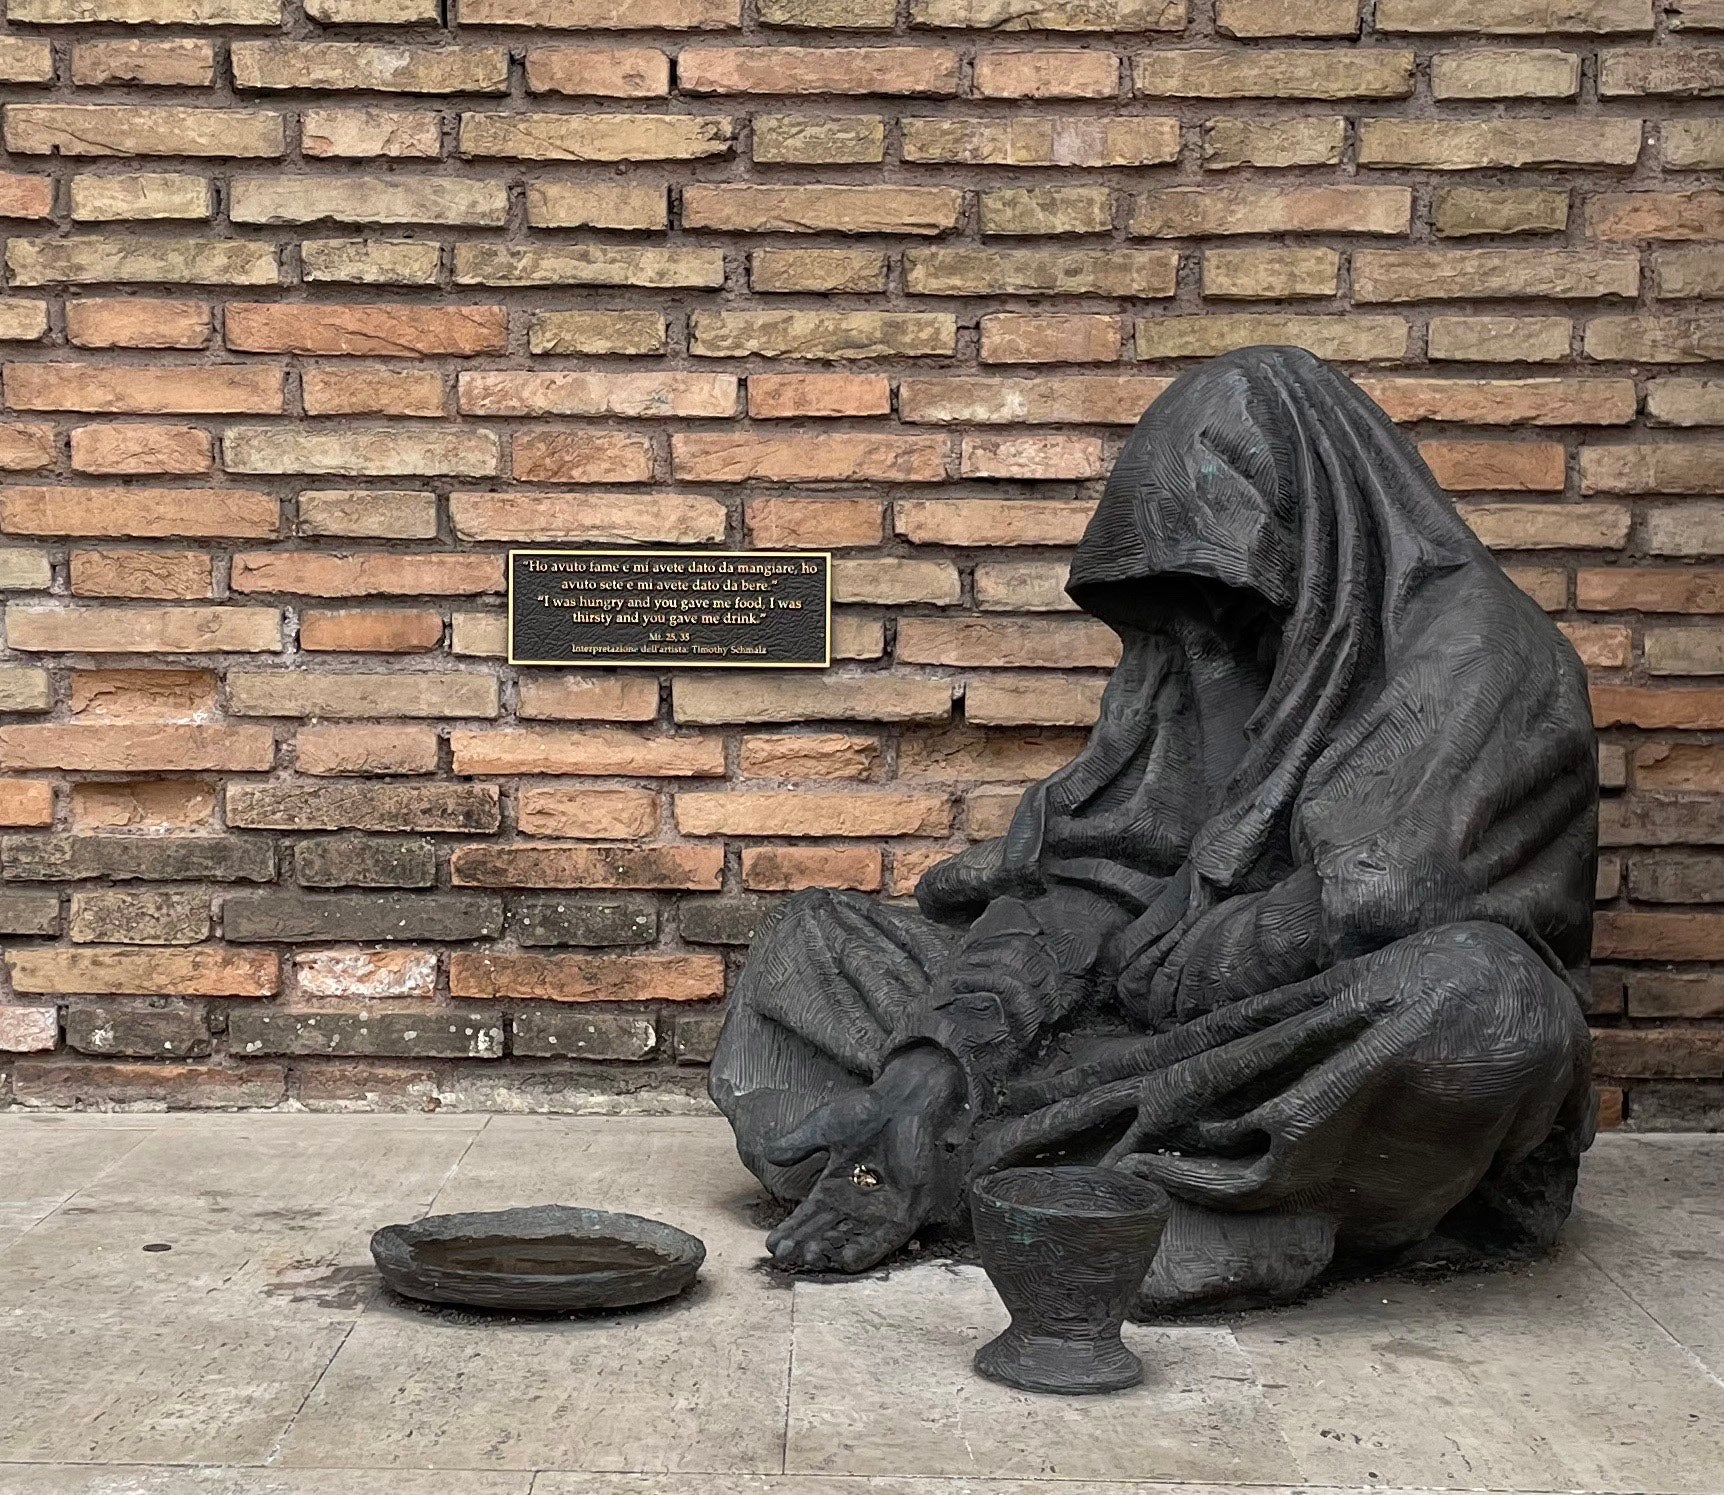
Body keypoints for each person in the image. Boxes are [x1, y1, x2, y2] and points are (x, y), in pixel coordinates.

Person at [708, 346, 1598, 1314]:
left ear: (1305, 524)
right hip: (1152, 1040)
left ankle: (1051, 1183)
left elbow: (1380, 901)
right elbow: (1093, 876)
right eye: (1185, 583)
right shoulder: (1199, 644)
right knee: (808, 941)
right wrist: (936, 1064)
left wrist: (1172, 960)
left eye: (1227, 575)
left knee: (1486, 1007)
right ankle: (951, 1146)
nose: (1204, 617)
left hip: (1306, 1033)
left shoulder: (1482, 652)